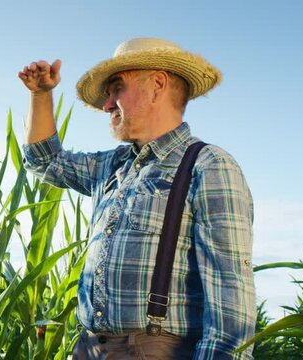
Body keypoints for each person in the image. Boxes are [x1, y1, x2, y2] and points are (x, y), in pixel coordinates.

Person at [19, 38, 256, 359]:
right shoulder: (112, 165)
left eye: (117, 88)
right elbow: (43, 161)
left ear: (157, 84)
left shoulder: (208, 165)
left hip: (155, 350)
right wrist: (40, 94)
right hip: (89, 349)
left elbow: (231, 298)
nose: (106, 105)